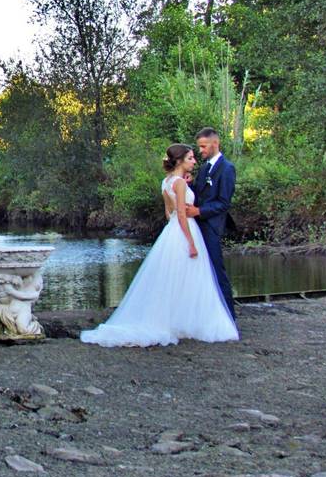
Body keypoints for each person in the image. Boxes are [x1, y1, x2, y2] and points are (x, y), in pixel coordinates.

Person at [81, 144, 239, 347]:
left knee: (173, 277)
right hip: (185, 230)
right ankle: (189, 320)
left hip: (171, 232)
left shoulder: (166, 182)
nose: (194, 161)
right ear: (180, 161)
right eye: (190, 158)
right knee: (191, 277)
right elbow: (182, 214)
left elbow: (169, 213)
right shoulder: (180, 184)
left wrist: (185, 189)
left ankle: (173, 319)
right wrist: (191, 242)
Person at [185, 127, 237, 320]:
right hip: (198, 226)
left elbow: (224, 203)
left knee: (216, 269)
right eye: (199, 147)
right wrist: (189, 184)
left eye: (203, 146)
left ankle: (228, 316)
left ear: (215, 143)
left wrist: (199, 211)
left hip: (213, 226)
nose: (201, 150)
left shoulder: (227, 168)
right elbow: (201, 194)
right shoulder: (205, 167)